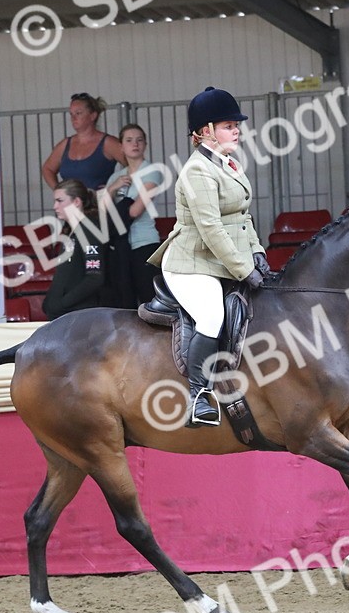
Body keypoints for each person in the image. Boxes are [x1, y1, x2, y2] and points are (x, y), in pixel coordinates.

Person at [145, 87, 269, 428]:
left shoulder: (229, 164)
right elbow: (212, 229)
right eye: (229, 126)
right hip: (191, 264)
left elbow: (242, 218)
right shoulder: (197, 171)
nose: (237, 131)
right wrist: (243, 269)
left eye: (236, 125)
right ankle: (198, 398)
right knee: (212, 316)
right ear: (206, 131)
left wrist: (257, 252)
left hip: (221, 261)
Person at [42, 179, 122, 320]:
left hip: (78, 317)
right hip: (67, 315)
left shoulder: (89, 230)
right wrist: (50, 301)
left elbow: (94, 278)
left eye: (60, 201)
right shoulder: (71, 230)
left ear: (76, 202)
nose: (55, 206)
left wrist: (63, 303)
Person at [104, 123, 164, 307]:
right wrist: (112, 189)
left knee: (148, 298)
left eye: (139, 140)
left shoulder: (152, 171)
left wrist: (114, 204)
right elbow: (102, 210)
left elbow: (135, 210)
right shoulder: (117, 177)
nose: (135, 144)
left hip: (144, 243)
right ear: (121, 146)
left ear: (145, 144)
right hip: (120, 247)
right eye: (129, 140)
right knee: (124, 302)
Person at [41, 93, 125, 191]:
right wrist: (59, 191)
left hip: (99, 200)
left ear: (93, 116)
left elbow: (135, 165)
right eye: (71, 114)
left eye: (78, 113)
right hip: (71, 201)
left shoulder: (108, 143)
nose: (73, 118)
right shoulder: (65, 144)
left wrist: (115, 187)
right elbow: (48, 169)